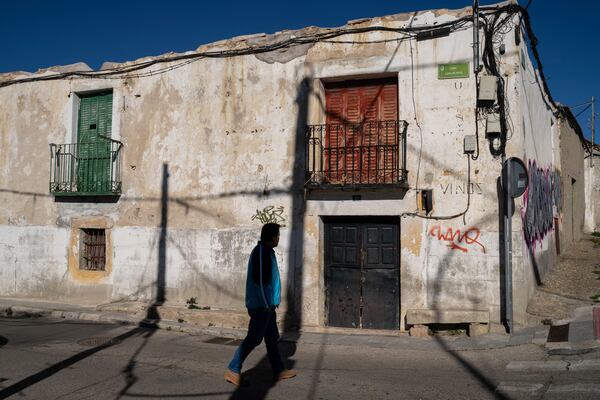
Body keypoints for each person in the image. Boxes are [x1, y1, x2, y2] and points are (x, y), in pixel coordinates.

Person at [224, 223, 296, 386]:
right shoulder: (261, 252)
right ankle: (233, 369)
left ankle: (279, 370)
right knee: (254, 338)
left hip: (268, 305)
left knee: (271, 339)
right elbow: (261, 281)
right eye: (277, 235)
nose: (278, 238)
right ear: (272, 237)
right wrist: (266, 304)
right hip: (262, 306)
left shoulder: (267, 252)